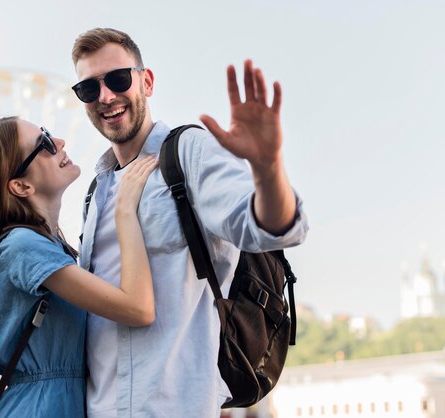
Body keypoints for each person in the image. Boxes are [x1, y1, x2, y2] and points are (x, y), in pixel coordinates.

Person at [71, 28, 309, 417]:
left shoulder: (189, 153)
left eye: (117, 79)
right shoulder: (95, 192)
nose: (106, 97)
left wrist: (267, 168)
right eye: (88, 89)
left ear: (146, 82)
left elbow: (267, 227)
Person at [0, 116, 158, 417]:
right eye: (45, 144)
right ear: (21, 185)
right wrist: (125, 210)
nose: (60, 143)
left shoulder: (47, 246)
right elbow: (138, 309)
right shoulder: (22, 246)